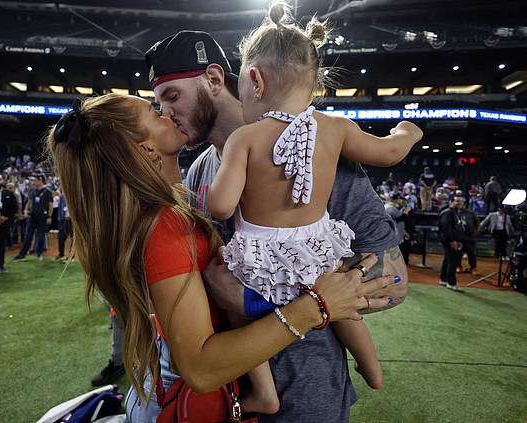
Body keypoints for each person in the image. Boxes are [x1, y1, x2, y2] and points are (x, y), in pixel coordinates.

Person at [46, 94, 399, 423]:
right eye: (155, 112)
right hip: (185, 401)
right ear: (148, 149)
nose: (166, 112)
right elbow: (201, 368)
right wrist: (317, 307)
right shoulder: (163, 224)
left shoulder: (163, 210)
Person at [146, 24, 409, 423]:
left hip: (308, 398)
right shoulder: (199, 171)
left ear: (216, 79)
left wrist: (259, 303)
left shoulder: (320, 152)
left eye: (172, 96)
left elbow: (395, 282)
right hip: (228, 397)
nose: (165, 112)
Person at [204, 5, 421, 412]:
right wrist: (407, 131)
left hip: (260, 258)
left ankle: (264, 394)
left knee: (237, 313)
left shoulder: (245, 139)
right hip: (317, 250)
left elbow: (220, 205)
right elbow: (390, 151)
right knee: (341, 311)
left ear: (255, 79)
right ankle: (373, 370)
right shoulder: (336, 128)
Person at [12, 174, 53, 261]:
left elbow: (50, 205)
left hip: (42, 216)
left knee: (41, 236)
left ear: (40, 180)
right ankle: (22, 254)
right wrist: (26, 210)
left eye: (35, 180)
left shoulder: (48, 192)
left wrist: (49, 216)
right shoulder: (32, 191)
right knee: (28, 236)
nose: (33, 182)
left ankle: (39, 253)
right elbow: (29, 202)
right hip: (32, 216)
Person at [438, 197, 466, 291]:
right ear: (451, 202)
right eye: (457, 201)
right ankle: (451, 282)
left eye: (461, 201)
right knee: (452, 260)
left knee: (448, 259)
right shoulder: (448, 212)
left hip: (452, 240)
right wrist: (452, 240)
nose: (459, 203)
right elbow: (446, 227)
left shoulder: (455, 212)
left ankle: (444, 279)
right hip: (449, 240)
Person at [385, 193, 413, 265]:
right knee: (393, 256)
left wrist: (404, 232)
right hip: (394, 235)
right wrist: (406, 211)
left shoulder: (391, 207)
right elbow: (400, 219)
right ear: (396, 199)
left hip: (396, 233)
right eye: (400, 199)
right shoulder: (390, 208)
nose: (401, 201)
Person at [455, 196, 480, 275]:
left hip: (470, 236)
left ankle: (473, 268)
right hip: (459, 236)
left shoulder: (471, 213)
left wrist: (476, 232)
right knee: (458, 253)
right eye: (458, 203)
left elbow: (478, 224)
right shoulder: (454, 213)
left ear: (465, 204)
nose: (460, 204)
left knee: (471, 253)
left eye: (462, 203)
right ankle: (458, 266)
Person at [54, 187, 73, 262]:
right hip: (63, 219)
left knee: (73, 238)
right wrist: (59, 219)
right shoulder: (62, 197)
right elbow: (60, 208)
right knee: (61, 237)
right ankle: (61, 254)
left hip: (72, 220)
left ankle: (71, 256)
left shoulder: (76, 197)